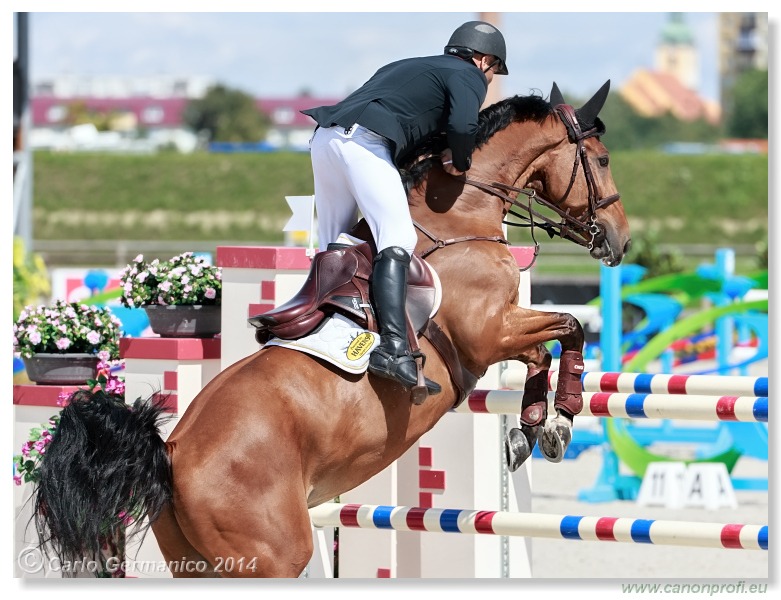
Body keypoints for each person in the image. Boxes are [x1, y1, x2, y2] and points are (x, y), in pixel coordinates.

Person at [301, 20, 509, 396]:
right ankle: (394, 350)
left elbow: (415, 127)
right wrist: (461, 161)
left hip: (325, 138)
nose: (490, 79)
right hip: (363, 143)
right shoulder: (468, 76)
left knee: (338, 241)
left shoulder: (409, 66)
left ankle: (320, 326)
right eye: (493, 70)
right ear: (482, 59)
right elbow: (463, 125)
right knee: (397, 238)